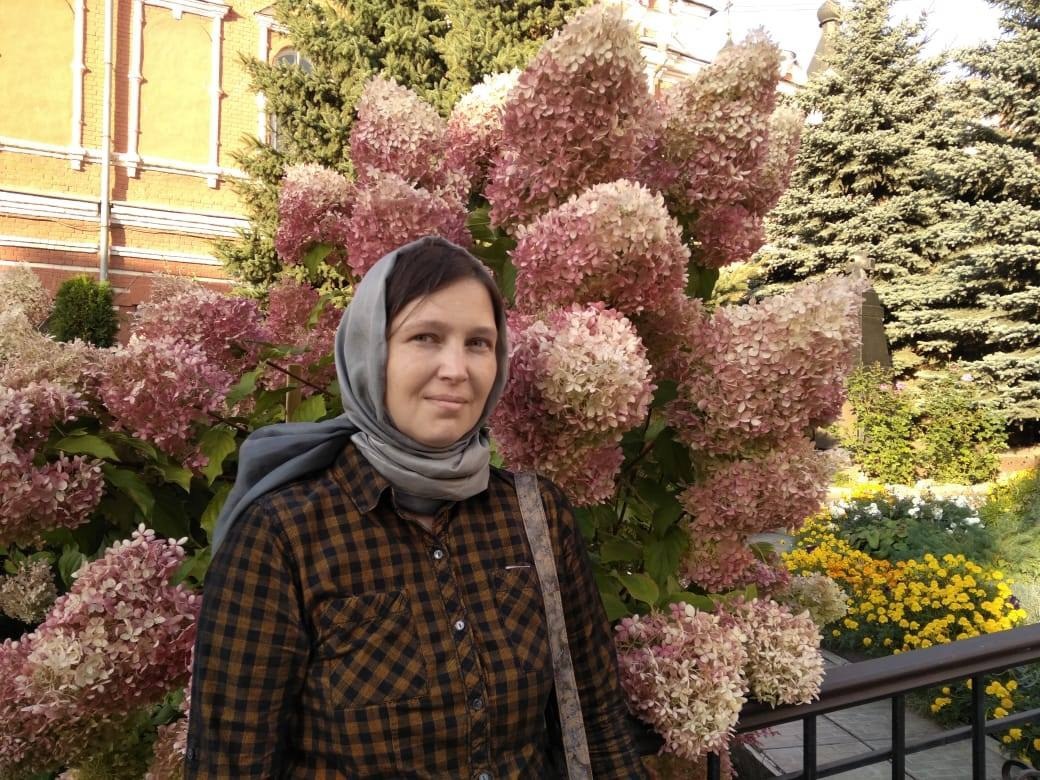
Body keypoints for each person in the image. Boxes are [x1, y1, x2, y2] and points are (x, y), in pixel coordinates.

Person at [184, 235, 647, 778]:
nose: (456, 369)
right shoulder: (283, 535)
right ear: (371, 351)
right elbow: (231, 763)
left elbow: (596, 724)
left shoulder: (536, 515)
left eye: (479, 343)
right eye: (425, 337)